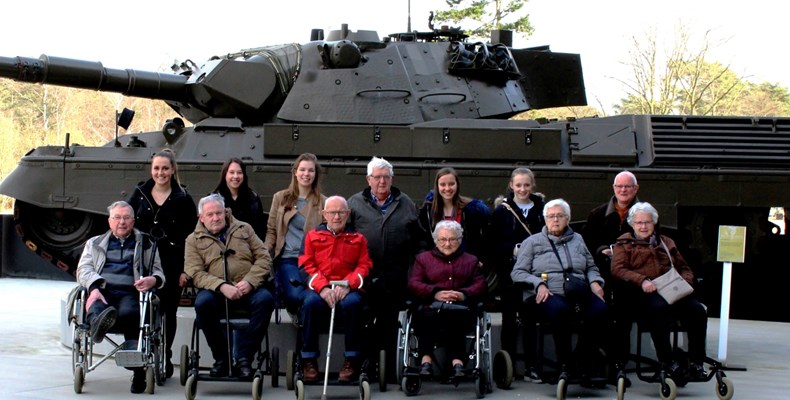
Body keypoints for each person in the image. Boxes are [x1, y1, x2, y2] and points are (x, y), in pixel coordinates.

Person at [511, 199, 609, 380]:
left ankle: (581, 356)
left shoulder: (578, 239)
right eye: (551, 216)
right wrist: (538, 283)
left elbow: (591, 267)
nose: (555, 220)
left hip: (577, 290)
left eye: (559, 216)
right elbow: (517, 272)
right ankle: (566, 364)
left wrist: (595, 282)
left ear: (568, 218)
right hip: (546, 292)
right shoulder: (532, 242)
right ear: (545, 219)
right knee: (561, 310)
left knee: (600, 310)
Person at [611, 202, 708, 381]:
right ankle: (667, 360)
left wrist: (684, 282)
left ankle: (697, 362)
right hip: (644, 294)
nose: (643, 226)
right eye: (639, 222)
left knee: (697, 311)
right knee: (659, 310)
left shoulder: (666, 242)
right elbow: (618, 269)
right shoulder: (624, 244)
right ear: (632, 224)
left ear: (654, 223)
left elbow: (684, 267)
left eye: (648, 222)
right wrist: (642, 280)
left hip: (672, 290)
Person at [76, 201, 165, 393]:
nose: (121, 222)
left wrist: (153, 280)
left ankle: (137, 369)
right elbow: (83, 270)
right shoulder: (94, 243)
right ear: (110, 221)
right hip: (103, 290)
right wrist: (94, 286)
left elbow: (158, 271)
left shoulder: (147, 243)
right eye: (117, 217)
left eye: (126, 218)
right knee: (97, 305)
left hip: (130, 292)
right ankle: (99, 323)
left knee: (131, 312)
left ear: (133, 221)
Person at [184, 194, 275, 379]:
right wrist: (221, 286)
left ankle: (244, 358)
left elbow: (264, 258)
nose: (216, 218)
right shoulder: (193, 240)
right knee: (202, 304)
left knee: (265, 300)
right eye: (210, 214)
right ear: (201, 217)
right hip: (215, 291)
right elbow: (194, 271)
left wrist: (250, 282)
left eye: (219, 213)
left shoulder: (244, 229)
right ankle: (221, 359)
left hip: (247, 288)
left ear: (225, 213)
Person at [347, 156, 420, 382]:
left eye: (385, 177)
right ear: (368, 179)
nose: (381, 182)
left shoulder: (405, 202)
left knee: (389, 323)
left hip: (394, 275)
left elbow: (418, 240)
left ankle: (387, 369)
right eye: (377, 177)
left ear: (392, 179)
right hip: (364, 276)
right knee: (364, 321)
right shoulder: (354, 203)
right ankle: (364, 366)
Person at [128, 149, 197, 378]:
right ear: (151, 169)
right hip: (143, 258)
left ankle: (164, 355)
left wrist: (187, 269)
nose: (161, 173)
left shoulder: (184, 198)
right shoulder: (139, 193)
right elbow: (127, 221)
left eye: (165, 168)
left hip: (172, 261)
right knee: (140, 306)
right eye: (157, 168)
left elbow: (191, 236)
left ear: (173, 169)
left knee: (169, 311)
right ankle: (139, 353)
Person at [298, 195, 373, 383]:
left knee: (354, 304)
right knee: (309, 304)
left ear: (348, 214)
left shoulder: (359, 239)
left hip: (348, 289)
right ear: (324, 214)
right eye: (332, 212)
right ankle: (309, 360)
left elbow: (364, 267)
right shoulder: (312, 237)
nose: (337, 216)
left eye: (341, 212)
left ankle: (352, 360)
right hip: (319, 289)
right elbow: (305, 265)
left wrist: (348, 285)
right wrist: (323, 288)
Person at [487, 167, 545, 380]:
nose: (523, 189)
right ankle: (507, 365)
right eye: (518, 185)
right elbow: (492, 243)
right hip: (509, 272)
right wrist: (511, 248)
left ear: (532, 186)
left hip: (535, 273)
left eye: (526, 185)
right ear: (511, 185)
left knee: (531, 320)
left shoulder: (542, 209)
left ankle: (531, 366)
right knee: (509, 320)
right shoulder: (502, 211)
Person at [408, 220, 486, 379]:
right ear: (435, 240)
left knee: (456, 319)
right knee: (427, 318)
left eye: (453, 239)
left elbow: (481, 284)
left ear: (460, 240)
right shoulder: (423, 259)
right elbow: (413, 282)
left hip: (460, 308)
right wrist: (434, 292)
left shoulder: (470, 260)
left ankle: (458, 364)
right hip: (431, 306)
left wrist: (463, 294)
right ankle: (425, 362)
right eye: (443, 239)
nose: (448, 243)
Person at [263, 153, 326, 312]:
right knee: (295, 295)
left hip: (313, 261)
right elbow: (272, 230)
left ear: (316, 174)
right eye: (302, 169)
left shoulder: (324, 202)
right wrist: (264, 252)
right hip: (288, 259)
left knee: (314, 298)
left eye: (311, 170)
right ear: (295, 172)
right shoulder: (280, 198)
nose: (306, 174)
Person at [417, 167, 491, 259]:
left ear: (457, 185)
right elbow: (421, 240)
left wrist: (478, 260)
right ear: (437, 186)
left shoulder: (472, 210)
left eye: (451, 184)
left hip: (464, 264)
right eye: (443, 184)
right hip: (436, 264)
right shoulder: (427, 210)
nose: (447, 188)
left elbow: (483, 239)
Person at [582, 170, 640, 277]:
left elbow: (653, 241)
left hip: (636, 269)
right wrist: (601, 249)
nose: (623, 190)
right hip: (603, 268)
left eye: (627, 186)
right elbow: (588, 240)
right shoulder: (597, 214)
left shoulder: (646, 214)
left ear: (636, 188)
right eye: (619, 186)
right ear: (614, 187)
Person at [213, 157, 266, 238]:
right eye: (231, 172)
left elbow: (260, 228)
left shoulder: (253, 199)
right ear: (225, 174)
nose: (235, 176)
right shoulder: (214, 199)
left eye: (239, 172)